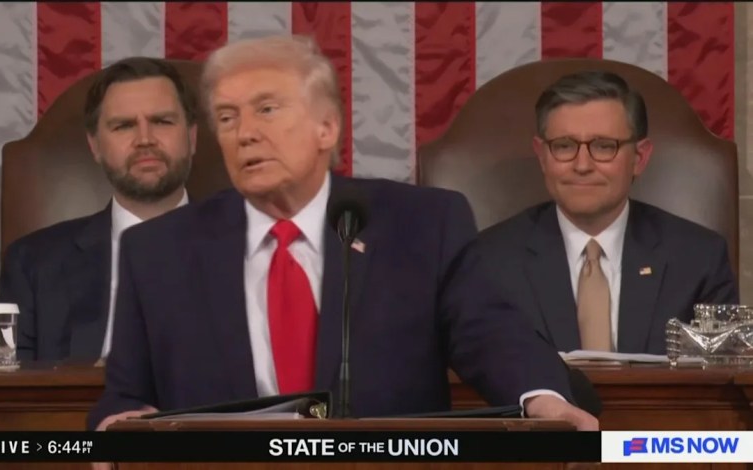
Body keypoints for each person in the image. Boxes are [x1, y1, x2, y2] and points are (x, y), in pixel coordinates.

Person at [87, 34, 597, 432]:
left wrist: (544, 399)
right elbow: (124, 397)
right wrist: (118, 425)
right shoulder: (157, 251)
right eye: (227, 117)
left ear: (326, 127)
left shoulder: (422, 225)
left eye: (267, 109)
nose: (245, 133)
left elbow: (490, 335)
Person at [477, 70, 738, 354]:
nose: (582, 165)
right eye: (564, 146)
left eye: (604, 147)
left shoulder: (698, 259)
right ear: (542, 156)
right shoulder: (488, 262)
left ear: (639, 158)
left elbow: (721, 375)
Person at [0, 57, 197, 361]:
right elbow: (3, 383)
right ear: (95, 146)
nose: (145, 139)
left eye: (162, 121)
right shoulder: (33, 264)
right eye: (124, 125)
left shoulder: (246, 248)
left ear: (192, 137)